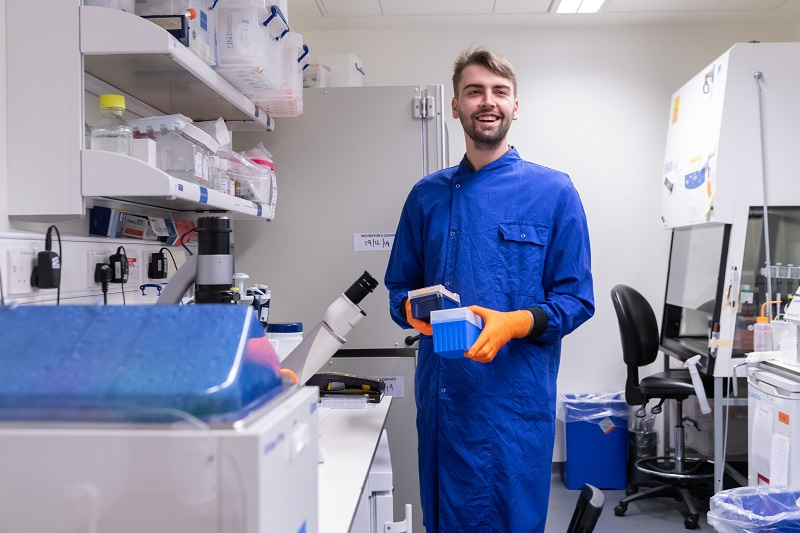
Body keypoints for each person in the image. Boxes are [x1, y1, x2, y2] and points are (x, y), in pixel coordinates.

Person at [384, 48, 595, 532]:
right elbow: (399, 287)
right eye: (474, 91)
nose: (488, 101)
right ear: (455, 106)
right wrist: (411, 309)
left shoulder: (554, 192)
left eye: (500, 92)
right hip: (445, 401)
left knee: (512, 520)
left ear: (515, 106)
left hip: (513, 407)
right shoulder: (426, 196)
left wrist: (514, 322)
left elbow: (577, 298)